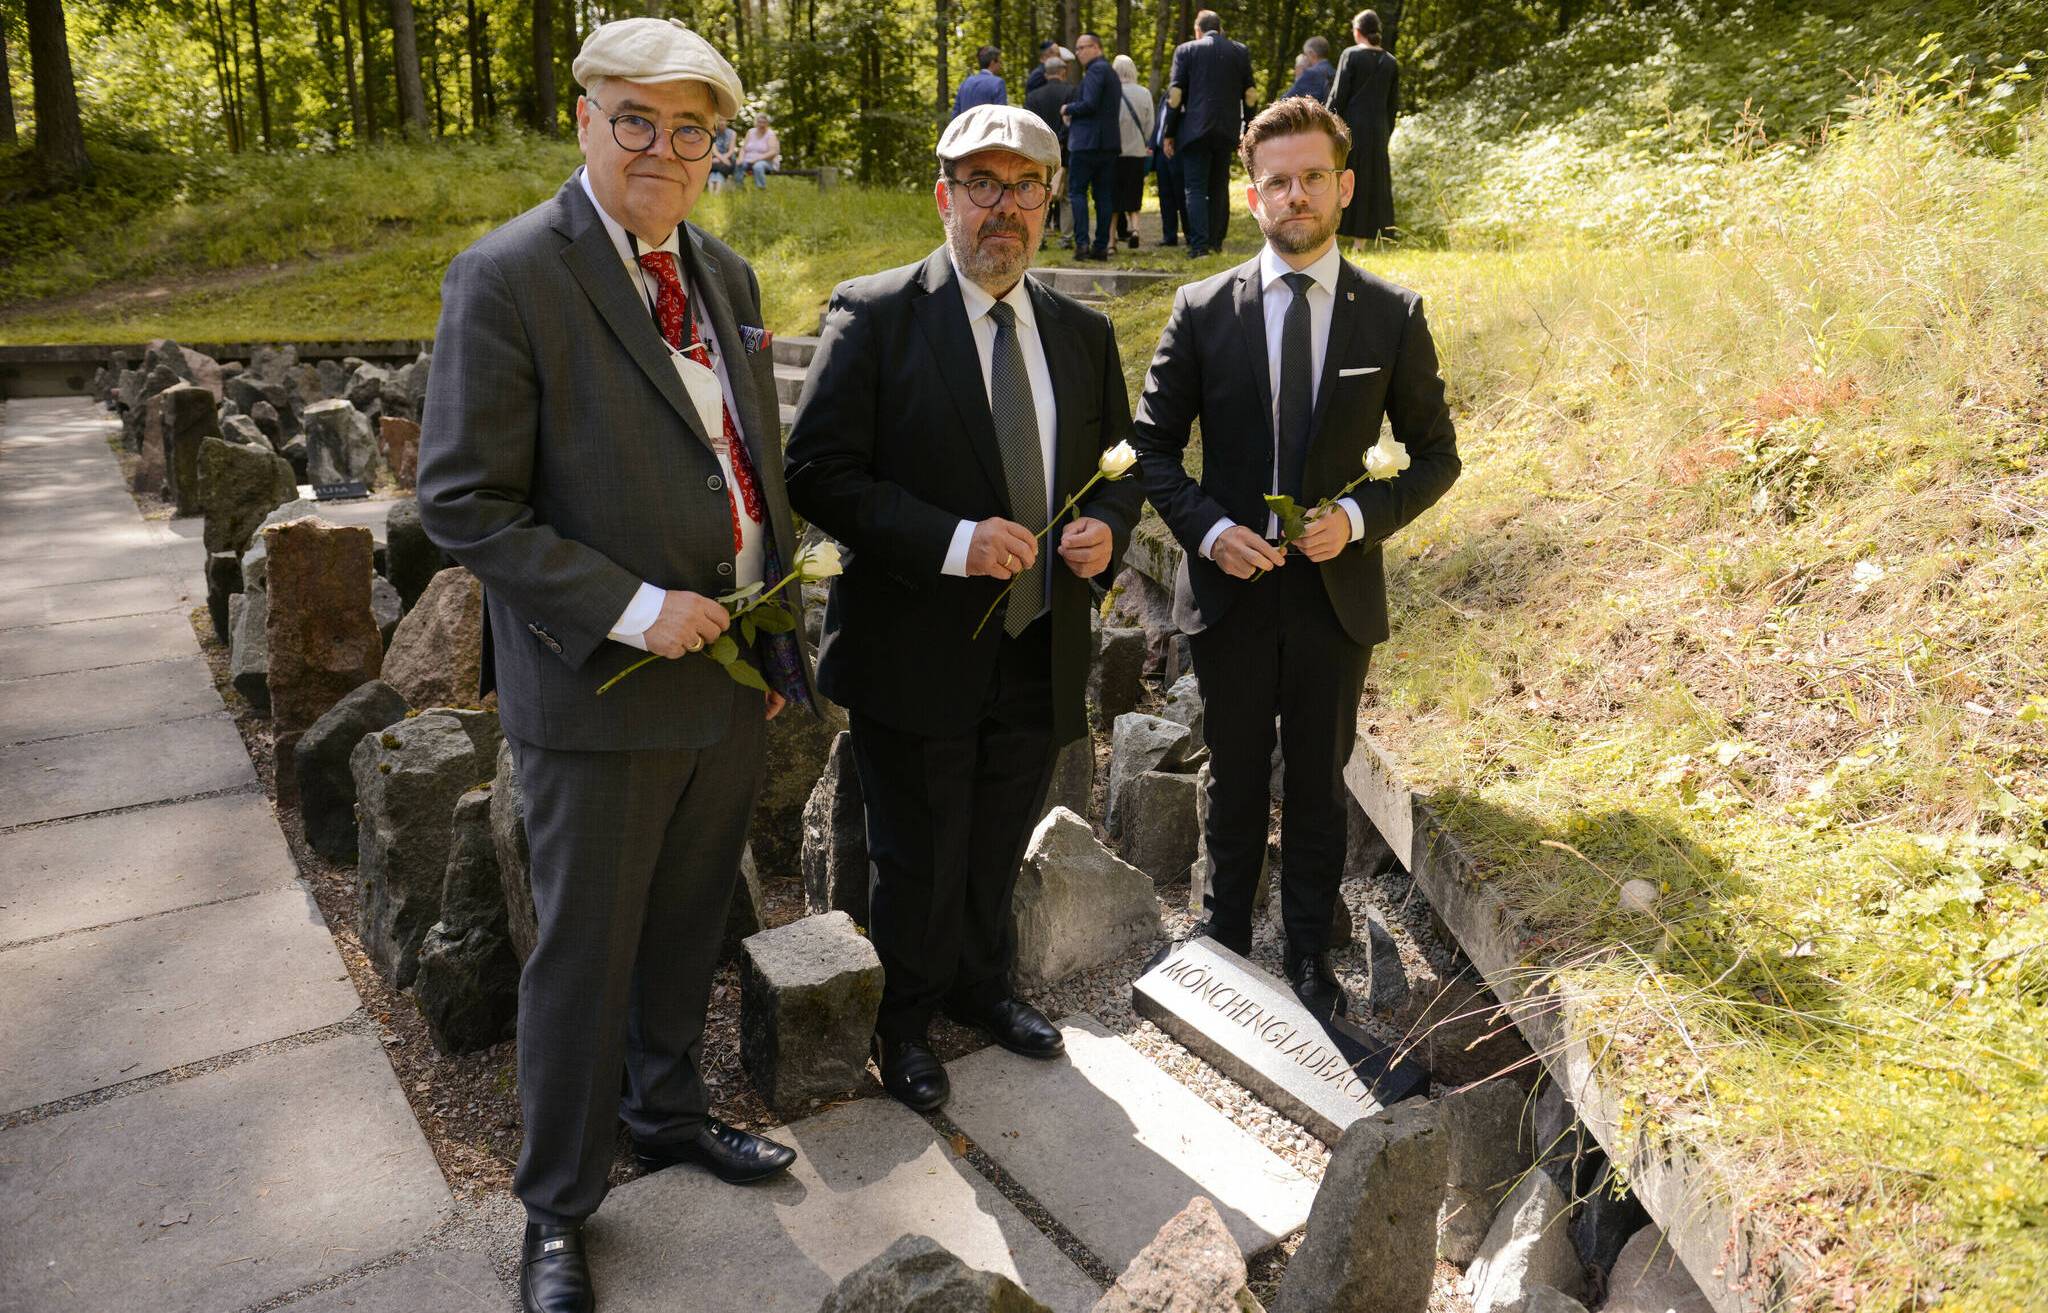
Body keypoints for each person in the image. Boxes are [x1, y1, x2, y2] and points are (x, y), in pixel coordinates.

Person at [416, 17, 813, 1313]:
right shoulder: (507, 276)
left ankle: (667, 1111)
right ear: (584, 120)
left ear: (718, 147)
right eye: (634, 119)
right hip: (598, 685)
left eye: (689, 129)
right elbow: (462, 501)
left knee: (691, 923)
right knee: (582, 959)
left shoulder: (724, 273)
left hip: (728, 677)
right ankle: (557, 1205)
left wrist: (773, 618)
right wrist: (633, 607)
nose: (661, 148)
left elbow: (744, 458)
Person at [784, 105, 1145, 1115]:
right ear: (944, 196)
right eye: (983, 184)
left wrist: (1107, 530)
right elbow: (816, 471)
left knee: (996, 837)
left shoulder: (1081, 334)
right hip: (914, 645)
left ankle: (981, 987)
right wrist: (953, 542)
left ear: (1050, 201)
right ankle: (901, 1023)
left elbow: (1121, 472)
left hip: (1038, 639)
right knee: (914, 855)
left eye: (1025, 187)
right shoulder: (874, 315)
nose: (1004, 207)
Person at [1129, 96, 1458, 1021]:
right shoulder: (1201, 309)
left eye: (1314, 177)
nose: (1296, 195)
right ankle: (1224, 937)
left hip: (1333, 596)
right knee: (1233, 772)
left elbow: (1437, 455)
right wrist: (1207, 530)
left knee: (1318, 780)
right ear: (1252, 195)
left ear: (1344, 186)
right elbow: (1152, 447)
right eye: (1278, 181)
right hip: (1228, 590)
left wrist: (1356, 517)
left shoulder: (1391, 314)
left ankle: (1311, 951)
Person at [1161, 10, 1257, 258]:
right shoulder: (1239, 51)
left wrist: (1169, 132)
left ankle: (1199, 246)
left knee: (1195, 188)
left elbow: (1175, 95)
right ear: (1220, 28)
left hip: (1194, 132)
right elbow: (1250, 94)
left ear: (1198, 30)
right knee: (1219, 186)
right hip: (1227, 131)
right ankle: (1215, 243)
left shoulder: (1186, 51)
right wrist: (1248, 129)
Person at [1326, 10, 1398, 245]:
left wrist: (1325, 124)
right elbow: (1392, 105)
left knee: (1343, 178)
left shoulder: (1351, 55)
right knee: (1372, 183)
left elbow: (1338, 96)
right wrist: (1386, 132)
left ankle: (1333, 234)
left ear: (1358, 32)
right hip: (1378, 130)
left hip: (1351, 128)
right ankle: (1361, 243)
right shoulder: (1390, 62)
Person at [1061, 33, 1121, 262]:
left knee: (1077, 192)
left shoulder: (1096, 71)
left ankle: (1083, 244)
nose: (1078, 53)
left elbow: (1090, 104)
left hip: (1087, 144)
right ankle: (1101, 246)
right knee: (1103, 195)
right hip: (1107, 145)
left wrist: (1067, 109)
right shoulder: (1110, 72)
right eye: (1077, 48)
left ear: (1096, 47)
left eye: (1081, 47)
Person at [1023, 56, 1073, 247]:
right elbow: (1073, 123)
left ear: (1045, 74)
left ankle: (1040, 236)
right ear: (1063, 72)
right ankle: (1067, 237)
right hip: (1066, 151)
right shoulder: (1072, 92)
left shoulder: (1033, 97)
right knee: (1066, 196)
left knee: (1038, 194)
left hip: (1039, 152)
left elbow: (1028, 126)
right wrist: (1060, 140)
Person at [1111, 55, 1154, 250]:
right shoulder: (1144, 93)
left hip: (1114, 152)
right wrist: (1143, 140)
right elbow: (1150, 125)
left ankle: (1111, 240)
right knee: (1134, 193)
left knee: (1114, 197)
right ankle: (1135, 229)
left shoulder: (1111, 93)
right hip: (1137, 151)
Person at [1151, 97, 1184, 247]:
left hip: (1177, 149)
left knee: (1181, 194)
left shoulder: (1185, 95)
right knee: (1165, 195)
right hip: (1160, 151)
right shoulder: (1165, 97)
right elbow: (1159, 123)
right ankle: (1169, 236)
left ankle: (1189, 234)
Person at [954, 45, 1008, 116]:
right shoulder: (998, 83)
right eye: (999, 62)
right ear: (992, 62)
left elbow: (956, 114)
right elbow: (1000, 115)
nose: (1000, 66)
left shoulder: (965, 83)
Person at [1287, 36, 1335, 102]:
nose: (1304, 57)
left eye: (1305, 54)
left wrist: (1299, 73)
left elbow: (1286, 99)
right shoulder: (1333, 71)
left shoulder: (1311, 73)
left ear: (1312, 53)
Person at [739, 113, 781, 189]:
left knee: (758, 166)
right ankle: (740, 187)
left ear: (767, 123)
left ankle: (761, 188)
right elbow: (743, 148)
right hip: (748, 160)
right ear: (756, 123)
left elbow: (773, 152)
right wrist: (740, 158)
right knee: (739, 165)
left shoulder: (770, 134)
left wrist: (757, 159)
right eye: (759, 122)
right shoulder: (750, 132)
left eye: (764, 122)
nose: (762, 125)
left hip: (767, 161)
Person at [706, 121, 738, 190]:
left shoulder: (732, 133)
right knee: (716, 172)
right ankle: (715, 194)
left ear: (726, 122)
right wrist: (722, 159)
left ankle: (713, 194)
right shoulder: (712, 132)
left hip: (728, 159)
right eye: (720, 120)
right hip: (716, 158)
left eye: (723, 120)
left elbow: (731, 151)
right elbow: (714, 151)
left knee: (716, 170)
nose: (722, 123)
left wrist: (721, 159)